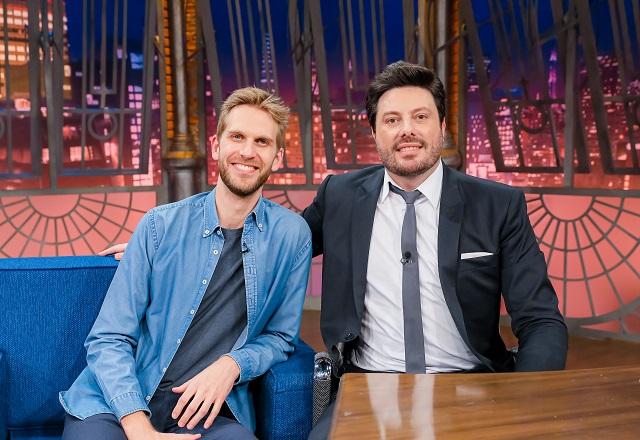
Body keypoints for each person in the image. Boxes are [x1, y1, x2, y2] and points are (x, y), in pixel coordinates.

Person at [103, 62, 568, 439]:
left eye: (420, 117)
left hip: (471, 383)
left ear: (442, 126)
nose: (406, 130)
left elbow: (540, 319)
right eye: (392, 120)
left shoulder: (499, 205)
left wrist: (525, 398)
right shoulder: (342, 197)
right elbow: (270, 246)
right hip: (368, 385)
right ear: (376, 133)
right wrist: (160, 244)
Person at [60, 87, 312, 440]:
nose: (248, 152)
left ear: (277, 156)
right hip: (116, 403)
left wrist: (233, 364)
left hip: (203, 408)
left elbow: (281, 337)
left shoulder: (292, 236)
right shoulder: (159, 226)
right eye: (237, 137)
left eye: (262, 142)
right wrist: (137, 425)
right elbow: (108, 339)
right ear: (216, 146)